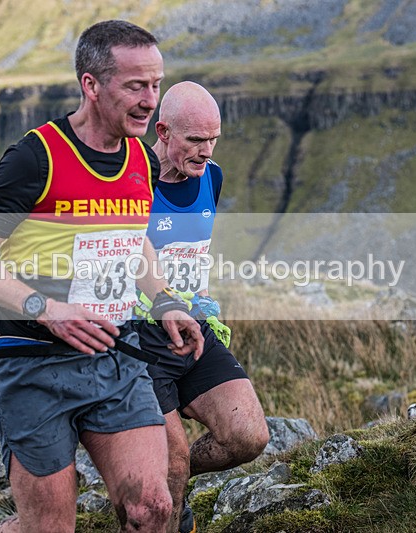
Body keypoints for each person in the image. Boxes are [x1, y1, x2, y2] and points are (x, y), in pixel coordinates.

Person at [0, 21, 203, 533]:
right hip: (31, 364)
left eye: (156, 84)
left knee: (153, 508)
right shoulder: (35, 157)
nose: (150, 101)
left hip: (114, 356)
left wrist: (164, 299)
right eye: (135, 86)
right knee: (49, 527)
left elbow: (132, 238)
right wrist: (47, 310)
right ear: (91, 85)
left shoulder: (140, 158)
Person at [136, 81, 270, 533]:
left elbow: (194, 249)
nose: (206, 151)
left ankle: (168, 482)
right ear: (163, 132)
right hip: (140, 338)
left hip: (195, 329)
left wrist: (204, 301)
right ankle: (167, 491)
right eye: (195, 140)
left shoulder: (211, 176)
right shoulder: (131, 179)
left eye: (214, 139)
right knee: (170, 462)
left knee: (248, 437)